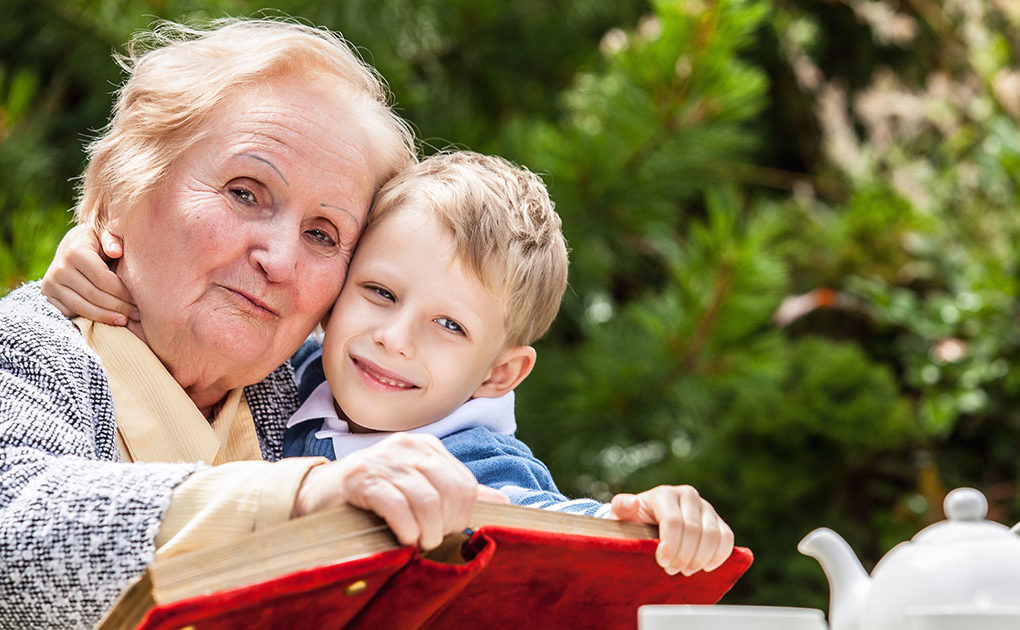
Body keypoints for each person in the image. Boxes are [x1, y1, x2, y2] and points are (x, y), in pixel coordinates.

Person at [49, 149, 736, 572]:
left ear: (500, 373)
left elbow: (536, 528)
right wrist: (96, 257)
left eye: (447, 324)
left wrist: (640, 526)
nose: (395, 339)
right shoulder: (296, 373)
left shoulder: (477, 460)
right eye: (378, 292)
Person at [0, 18, 474, 629]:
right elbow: (13, 531)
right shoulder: (31, 348)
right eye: (246, 193)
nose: (278, 260)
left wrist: (627, 527)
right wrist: (298, 499)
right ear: (120, 195)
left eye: (322, 235)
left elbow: (487, 473)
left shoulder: (318, 388)